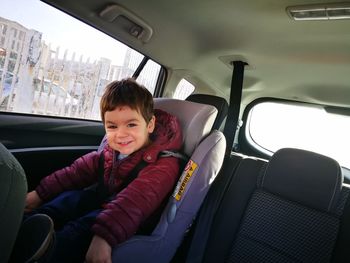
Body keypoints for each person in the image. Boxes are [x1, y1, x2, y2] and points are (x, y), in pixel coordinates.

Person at [24, 78, 183, 263]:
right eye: (112, 126)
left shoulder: (164, 164)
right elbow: (76, 171)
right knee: (72, 198)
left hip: (131, 220)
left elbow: (135, 201)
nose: (121, 134)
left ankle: (50, 252)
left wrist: (103, 237)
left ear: (150, 124)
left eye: (131, 124)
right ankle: (27, 224)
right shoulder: (111, 152)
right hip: (108, 204)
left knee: (87, 225)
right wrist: (39, 194)